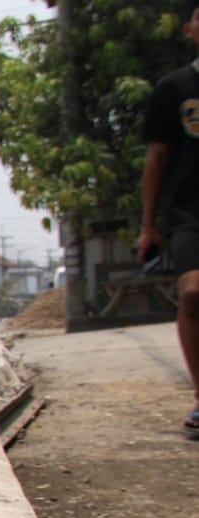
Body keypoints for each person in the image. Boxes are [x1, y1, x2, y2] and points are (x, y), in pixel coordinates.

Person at [137, 3, 199, 438]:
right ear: (190, 30)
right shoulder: (173, 88)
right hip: (188, 210)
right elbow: (156, 157)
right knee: (194, 293)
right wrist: (148, 224)